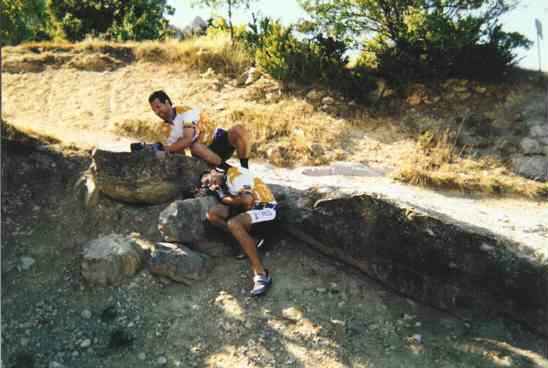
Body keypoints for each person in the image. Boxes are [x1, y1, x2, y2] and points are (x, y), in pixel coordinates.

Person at [203, 165, 278, 296]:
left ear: (214, 171)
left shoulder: (235, 174)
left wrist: (222, 196)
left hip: (266, 208)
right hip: (248, 211)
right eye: (206, 185)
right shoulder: (224, 183)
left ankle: (261, 274)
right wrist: (220, 193)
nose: (210, 184)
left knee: (234, 223)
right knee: (212, 214)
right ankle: (247, 242)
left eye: (209, 180)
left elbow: (248, 200)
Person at [148, 90, 251, 169]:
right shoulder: (164, 130)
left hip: (218, 139)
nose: (157, 112)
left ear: (167, 102)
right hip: (202, 155)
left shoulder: (185, 112)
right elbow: (178, 152)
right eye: (154, 110)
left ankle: (245, 169)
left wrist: (164, 148)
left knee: (238, 130)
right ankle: (229, 170)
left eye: (158, 107)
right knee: (195, 146)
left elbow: (187, 139)